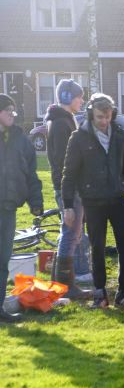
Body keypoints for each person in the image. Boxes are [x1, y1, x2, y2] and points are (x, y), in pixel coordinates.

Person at [62, 93, 124, 309]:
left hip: (117, 198)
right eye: (99, 117)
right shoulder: (78, 138)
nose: (104, 121)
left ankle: (123, 292)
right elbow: (68, 174)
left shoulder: (119, 135)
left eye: (107, 117)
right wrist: (68, 206)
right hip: (93, 201)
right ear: (90, 114)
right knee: (97, 248)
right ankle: (100, 294)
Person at [45, 79, 94, 296]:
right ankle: (67, 284)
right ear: (66, 97)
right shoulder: (60, 124)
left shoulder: (66, 120)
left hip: (72, 185)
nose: (81, 100)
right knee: (70, 232)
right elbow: (65, 161)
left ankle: (66, 277)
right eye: (78, 96)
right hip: (69, 186)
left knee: (73, 231)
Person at [0, 94, 43, 322]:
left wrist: (36, 202)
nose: (12, 114)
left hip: (8, 209)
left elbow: (30, 175)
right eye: (8, 110)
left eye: (14, 111)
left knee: (3, 259)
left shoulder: (21, 140)